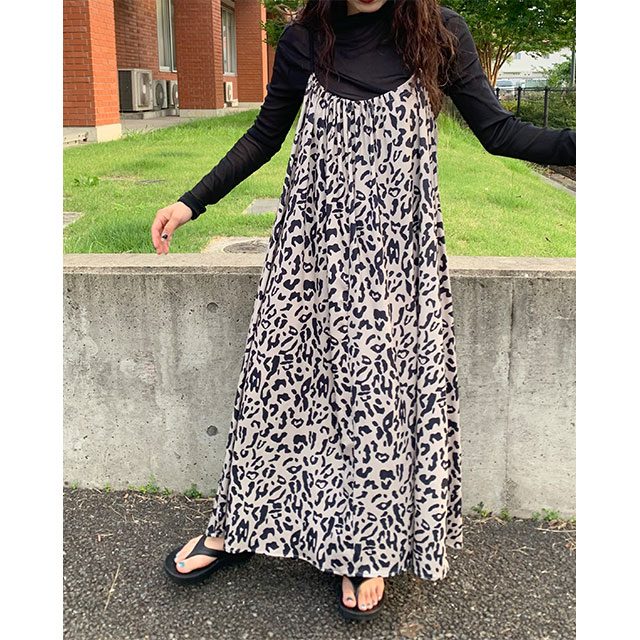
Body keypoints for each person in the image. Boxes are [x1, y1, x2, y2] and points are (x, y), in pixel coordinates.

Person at [153, 0, 575, 621]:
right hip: (308, 255)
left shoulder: (439, 33)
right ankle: (236, 526)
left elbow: (500, 132)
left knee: (372, 400)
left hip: (394, 264)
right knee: (277, 387)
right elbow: (265, 134)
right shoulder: (305, 38)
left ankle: (366, 545)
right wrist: (192, 202)